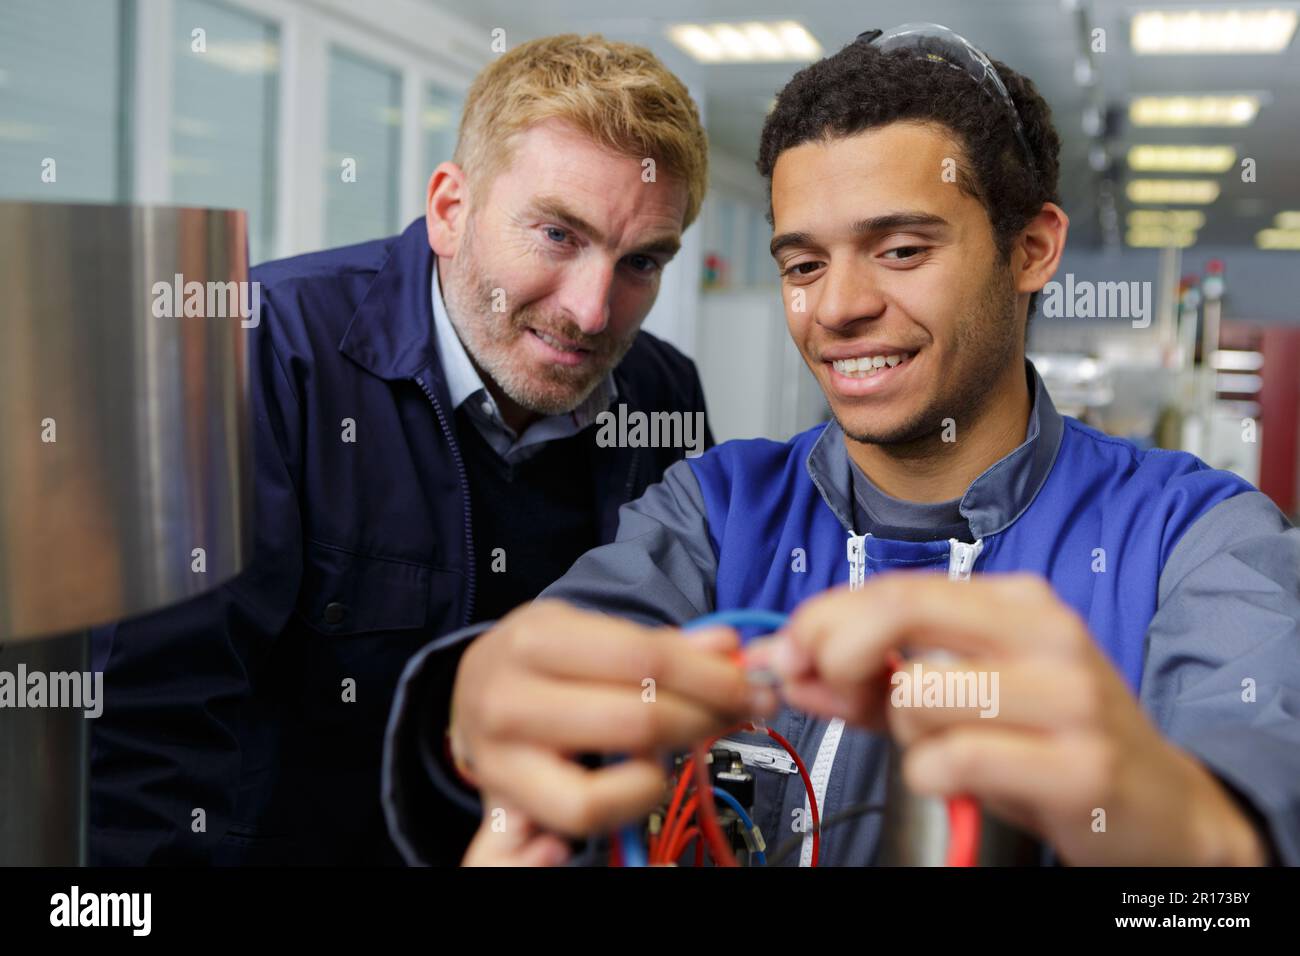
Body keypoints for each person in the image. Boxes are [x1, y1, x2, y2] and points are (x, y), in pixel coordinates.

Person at [383, 25, 1300, 867]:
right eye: (803, 265)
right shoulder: (716, 511)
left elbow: (1255, 768)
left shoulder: (1198, 538)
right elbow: (573, 659)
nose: (836, 307)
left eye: (900, 250)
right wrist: (483, 703)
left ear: (1030, 248)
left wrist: (1201, 834)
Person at [89, 33, 713, 866]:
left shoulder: (662, 394)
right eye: (559, 236)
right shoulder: (252, 352)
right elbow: (139, 737)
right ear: (452, 211)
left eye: (640, 260)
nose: (594, 312)